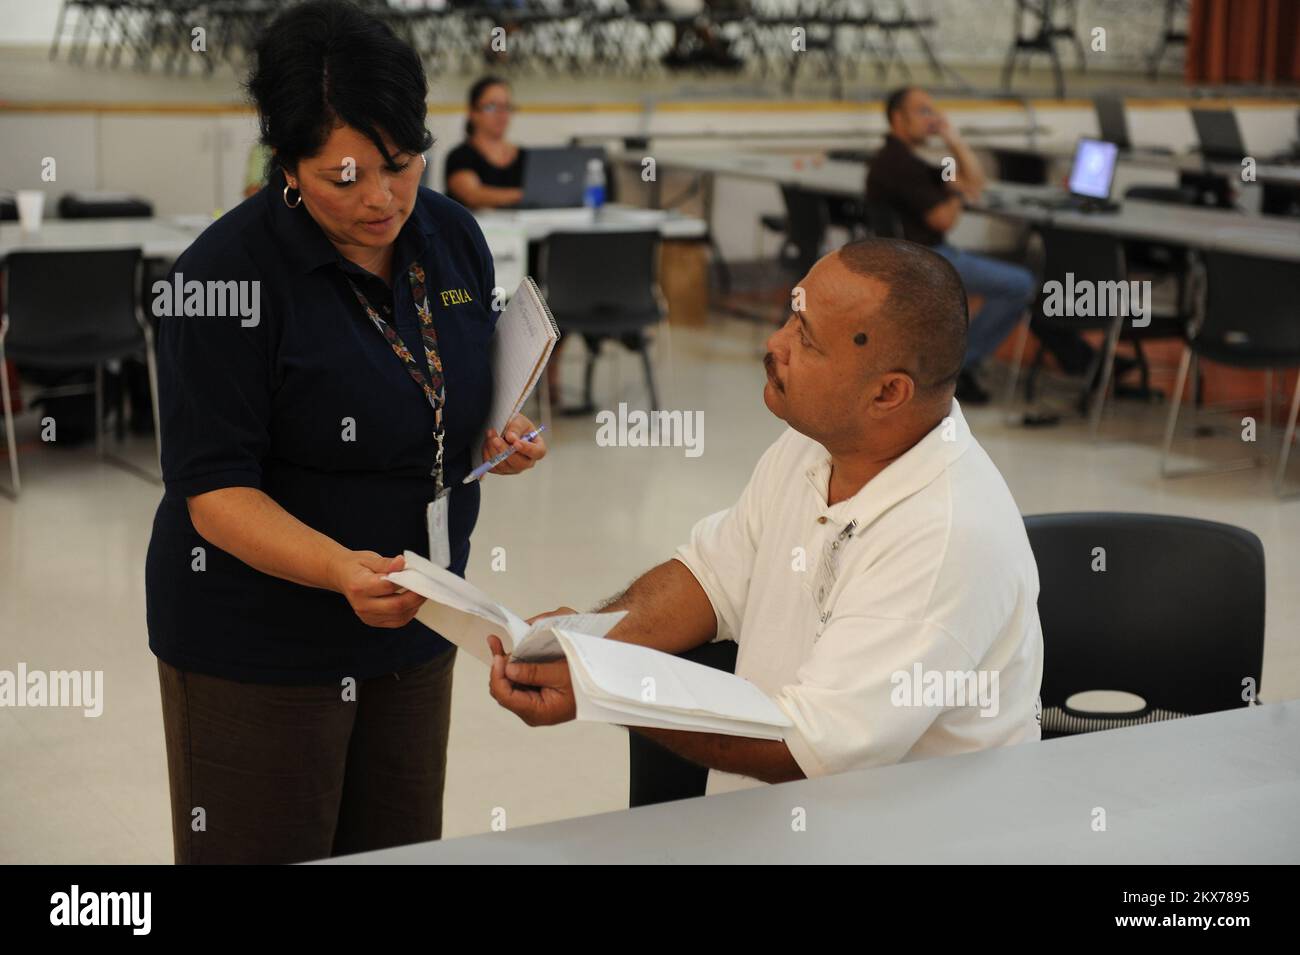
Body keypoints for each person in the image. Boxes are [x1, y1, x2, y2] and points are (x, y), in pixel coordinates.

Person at [145, 0, 546, 864]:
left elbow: (448, 388)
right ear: (286, 163)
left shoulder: (449, 236)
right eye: (345, 178)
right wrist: (336, 569)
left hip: (418, 618)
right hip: (259, 639)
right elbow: (214, 492)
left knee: (397, 848)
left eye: (400, 166)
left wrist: (493, 434)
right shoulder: (224, 277)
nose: (382, 200)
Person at [486, 239, 1043, 794]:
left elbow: (812, 747)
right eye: (790, 318)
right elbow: (711, 579)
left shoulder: (946, 536)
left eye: (806, 340)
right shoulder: (819, 445)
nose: (773, 342)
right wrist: (589, 641)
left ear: (888, 393)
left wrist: (602, 684)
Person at [867, 86, 1101, 406]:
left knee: (1022, 283)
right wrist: (958, 192)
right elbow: (945, 219)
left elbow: (977, 183)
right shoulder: (898, 164)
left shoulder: (905, 159)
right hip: (925, 261)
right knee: (1020, 284)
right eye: (924, 111)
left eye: (934, 111)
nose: (933, 119)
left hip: (918, 256)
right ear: (898, 118)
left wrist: (955, 140)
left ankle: (1079, 359)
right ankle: (961, 365)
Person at [443, 76, 524, 210]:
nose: (501, 114)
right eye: (491, 107)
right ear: (473, 112)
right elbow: (472, 195)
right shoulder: (460, 157)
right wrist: (524, 195)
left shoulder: (524, 156)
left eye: (506, 107)